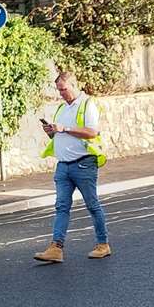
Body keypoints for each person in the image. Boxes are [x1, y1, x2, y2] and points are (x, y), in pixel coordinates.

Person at [35, 69, 110, 263]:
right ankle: (56, 248)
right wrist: (51, 131)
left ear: (75, 86)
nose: (61, 93)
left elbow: (92, 132)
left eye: (64, 89)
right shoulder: (62, 108)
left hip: (83, 164)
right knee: (61, 206)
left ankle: (103, 244)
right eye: (59, 90)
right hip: (63, 166)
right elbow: (60, 134)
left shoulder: (87, 105)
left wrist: (65, 128)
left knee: (92, 205)